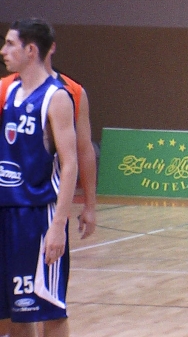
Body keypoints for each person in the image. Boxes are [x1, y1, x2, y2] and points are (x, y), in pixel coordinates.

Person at [0, 18, 78, 337]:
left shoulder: (56, 97)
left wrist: (58, 226)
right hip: (7, 212)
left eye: (10, 44)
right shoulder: (10, 92)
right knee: (15, 313)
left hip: (39, 216)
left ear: (31, 50)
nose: (3, 50)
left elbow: (70, 164)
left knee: (48, 310)